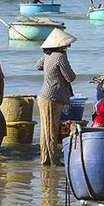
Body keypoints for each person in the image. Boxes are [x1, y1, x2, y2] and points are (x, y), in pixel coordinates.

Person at [35, 28, 77, 165]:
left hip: (44, 96)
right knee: (51, 129)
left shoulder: (48, 55)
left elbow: (38, 66)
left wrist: (49, 69)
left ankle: (45, 159)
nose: (67, 47)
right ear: (60, 45)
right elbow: (70, 77)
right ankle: (53, 160)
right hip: (53, 97)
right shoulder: (60, 56)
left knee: (45, 130)